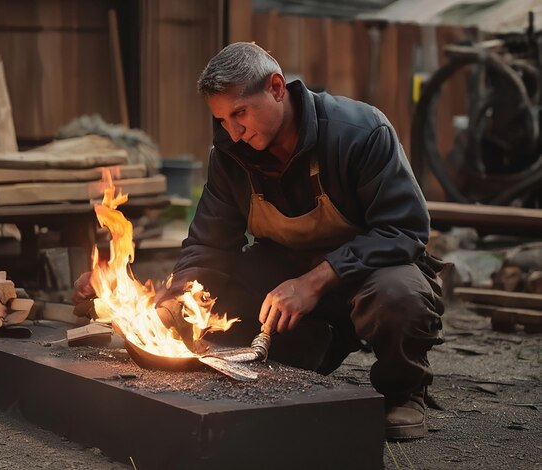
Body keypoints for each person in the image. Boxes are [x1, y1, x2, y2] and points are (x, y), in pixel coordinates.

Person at [74, 42, 444, 441]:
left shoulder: (360, 132)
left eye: (240, 113)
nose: (233, 131)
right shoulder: (231, 154)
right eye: (221, 118)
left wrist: (314, 282)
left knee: (399, 296)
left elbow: (404, 228)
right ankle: (308, 352)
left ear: (276, 88)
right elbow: (209, 248)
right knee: (215, 308)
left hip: (369, 271)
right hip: (282, 273)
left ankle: (404, 392)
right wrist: (170, 308)